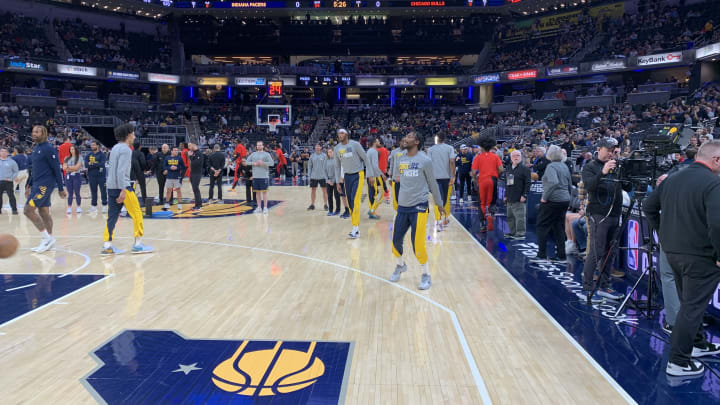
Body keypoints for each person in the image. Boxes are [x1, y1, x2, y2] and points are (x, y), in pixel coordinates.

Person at [644, 140, 720, 377]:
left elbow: (648, 206)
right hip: (700, 255)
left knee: (689, 303)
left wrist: (664, 235)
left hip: (672, 252)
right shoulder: (713, 183)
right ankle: (678, 361)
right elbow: (717, 224)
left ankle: (697, 345)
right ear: (716, 160)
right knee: (692, 307)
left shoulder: (674, 177)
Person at [389, 132, 444, 290]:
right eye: (405, 137)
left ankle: (426, 275)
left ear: (417, 141)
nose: (406, 138)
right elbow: (398, 180)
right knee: (395, 242)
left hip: (419, 206)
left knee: (417, 244)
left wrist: (439, 204)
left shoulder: (425, 160)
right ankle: (400, 266)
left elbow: (433, 183)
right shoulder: (400, 159)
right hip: (403, 207)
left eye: (410, 137)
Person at [580, 138, 628, 302]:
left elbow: (627, 186)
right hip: (598, 216)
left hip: (615, 215)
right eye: (608, 149)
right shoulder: (590, 166)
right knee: (596, 251)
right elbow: (589, 186)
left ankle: (604, 286)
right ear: (599, 149)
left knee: (610, 252)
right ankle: (586, 287)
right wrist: (603, 172)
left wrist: (624, 168)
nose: (610, 152)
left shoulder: (617, 165)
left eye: (613, 149)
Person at [102, 123, 153, 255]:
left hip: (111, 187)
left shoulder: (114, 148)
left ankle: (107, 245)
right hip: (122, 187)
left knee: (111, 217)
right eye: (133, 133)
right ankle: (138, 244)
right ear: (128, 135)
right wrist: (124, 190)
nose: (135, 136)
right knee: (137, 214)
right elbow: (121, 171)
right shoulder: (126, 149)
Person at [24, 125, 67, 253]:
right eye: (33, 131)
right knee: (43, 212)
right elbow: (34, 170)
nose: (34, 134)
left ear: (44, 133)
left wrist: (61, 188)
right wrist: (29, 185)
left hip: (44, 186)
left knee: (28, 210)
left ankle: (46, 238)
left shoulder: (48, 148)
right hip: (37, 184)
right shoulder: (36, 148)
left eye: (37, 132)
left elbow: (56, 169)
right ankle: (49, 239)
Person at [530, 145, 571, 263]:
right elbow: (569, 184)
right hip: (565, 199)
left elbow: (553, 182)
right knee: (558, 226)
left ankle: (541, 254)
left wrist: (544, 197)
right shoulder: (564, 166)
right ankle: (561, 256)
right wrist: (567, 196)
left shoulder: (551, 166)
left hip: (553, 200)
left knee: (541, 225)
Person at [334, 128, 373, 239]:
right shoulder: (337, 148)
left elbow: (366, 159)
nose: (340, 135)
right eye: (338, 133)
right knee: (350, 202)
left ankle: (355, 229)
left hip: (358, 175)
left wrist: (369, 174)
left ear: (347, 134)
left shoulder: (355, 145)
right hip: (347, 176)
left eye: (342, 133)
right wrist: (338, 182)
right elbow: (337, 166)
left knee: (355, 200)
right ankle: (355, 227)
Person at [471, 137, 503, 232]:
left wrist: (475, 179)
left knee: (482, 202)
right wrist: (497, 176)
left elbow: (473, 172)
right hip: (492, 180)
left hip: (482, 180)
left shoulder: (478, 157)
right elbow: (501, 169)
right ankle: (491, 216)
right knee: (491, 201)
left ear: (482, 147)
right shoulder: (495, 156)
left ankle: (482, 225)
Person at [427, 133, 456, 231]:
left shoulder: (430, 149)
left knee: (437, 201)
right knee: (446, 199)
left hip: (435, 178)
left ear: (436, 139)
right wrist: (453, 176)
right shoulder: (450, 148)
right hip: (447, 178)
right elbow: (452, 161)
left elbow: (428, 164)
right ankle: (445, 218)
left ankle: (438, 221)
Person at [504, 150, 530, 239]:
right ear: (511, 158)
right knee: (510, 216)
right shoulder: (508, 168)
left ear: (521, 157)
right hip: (510, 196)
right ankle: (513, 232)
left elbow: (527, 183)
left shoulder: (525, 169)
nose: (516, 157)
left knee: (519, 216)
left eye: (518, 155)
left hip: (519, 196)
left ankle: (520, 233)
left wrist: (525, 195)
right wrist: (506, 195)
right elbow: (507, 182)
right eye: (514, 156)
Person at [246, 140, 275, 214]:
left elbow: (272, 163)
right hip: (255, 176)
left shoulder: (266, 154)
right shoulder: (253, 154)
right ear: (256, 146)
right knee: (257, 193)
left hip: (264, 176)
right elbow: (246, 162)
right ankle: (259, 207)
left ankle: (265, 207)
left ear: (263, 146)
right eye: (257, 145)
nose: (259, 146)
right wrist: (254, 163)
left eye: (260, 145)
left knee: (264, 192)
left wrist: (263, 163)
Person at [85, 141, 107, 213]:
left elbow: (101, 164)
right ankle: (93, 206)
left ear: (98, 146)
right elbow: (86, 165)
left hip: (101, 176)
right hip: (92, 176)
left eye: (93, 145)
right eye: (91, 145)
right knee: (93, 191)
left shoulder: (102, 155)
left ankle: (104, 205)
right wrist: (95, 164)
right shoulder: (88, 155)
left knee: (103, 191)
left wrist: (91, 164)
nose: (92, 146)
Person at [366, 137, 385, 220]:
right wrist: (382, 174)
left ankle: (372, 211)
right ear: (374, 142)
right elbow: (374, 166)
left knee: (372, 194)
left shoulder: (370, 151)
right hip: (373, 176)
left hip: (370, 175)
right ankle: (372, 210)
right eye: (377, 140)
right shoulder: (373, 151)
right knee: (379, 194)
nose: (379, 141)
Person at [63, 144, 85, 214]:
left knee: (77, 192)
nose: (71, 150)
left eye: (73, 149)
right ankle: (69, 207)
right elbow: (64, 168)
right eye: (70, 149)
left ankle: (78, 206)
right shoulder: (66, 158)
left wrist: (68, 167)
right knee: (70, 193)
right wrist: (71, 168)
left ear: (76, 150)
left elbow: (77, 168)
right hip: (68, 176)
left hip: (77, 176)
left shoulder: (80, 158)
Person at [163, 147, 186, 211]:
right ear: (171, 151)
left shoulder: (179, 158)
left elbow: (183, 167)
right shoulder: (167, 158)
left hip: (177, 177)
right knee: (168, 190)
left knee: (178, 190)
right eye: (175, 150)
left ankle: (179, 203)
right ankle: (167, 203)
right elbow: (164, 166)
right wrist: (170, 167)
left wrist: (177, 168)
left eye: (177, 150)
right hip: (169, 177)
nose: (176, 151)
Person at [307, 144, 328, 211]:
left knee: (324, 191)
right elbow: (309, 166)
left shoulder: (324, 156)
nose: (317, 147)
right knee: (313, 190)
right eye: (316, 146)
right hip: (314, 176)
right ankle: (312, 205)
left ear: (321, 147)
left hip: (323, 176)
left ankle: (325, 205)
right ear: (315, 147)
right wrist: (309, 176)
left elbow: (327, 166)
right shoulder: (312, 156)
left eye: (319, 146)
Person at [0, 147, 19, 214]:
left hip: (8, 182)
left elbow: (16, 171)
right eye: (2, 151)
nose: (3, 152)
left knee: (11, 196)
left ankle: (14, 210)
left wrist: (11, 178)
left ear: (7, 153)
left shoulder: (12, 162)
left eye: (5, 151)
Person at [187, 143, 205, 211]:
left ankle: (199, 205)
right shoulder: (193, 153)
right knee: (195, 189)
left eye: (189, 146)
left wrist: (190, 157)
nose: (189, 148)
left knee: (195, 188)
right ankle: (198, 204)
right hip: (193, 173)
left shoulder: (199, 153)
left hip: (197, 173)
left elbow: (196, 163)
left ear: (194, 145)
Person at [325, 148, 341, 216]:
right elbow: (324, 171)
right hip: (328, 181)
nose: (330, 153)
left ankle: (337, 210)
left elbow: (337, 171)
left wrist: (334, 180)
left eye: (331, 152)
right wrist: (328, 180)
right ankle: (330, 210)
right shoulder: (326, 161)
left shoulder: (336, 160)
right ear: (327, 153)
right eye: (329, 152)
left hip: (336, 181)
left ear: (333, 152)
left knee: (336, 196)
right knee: (329, 196)